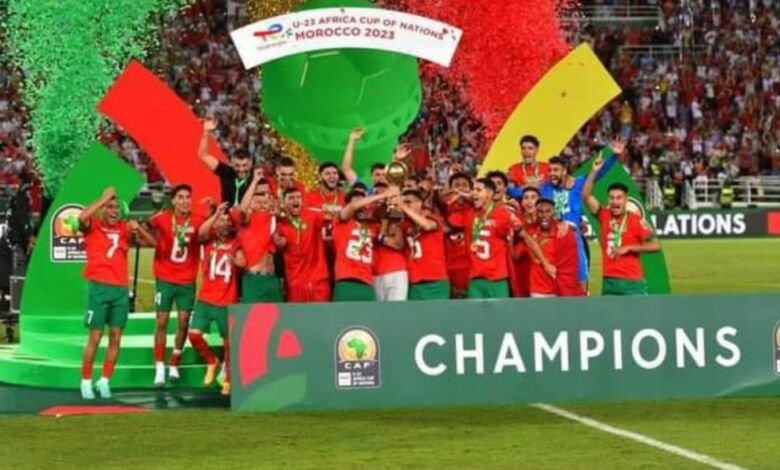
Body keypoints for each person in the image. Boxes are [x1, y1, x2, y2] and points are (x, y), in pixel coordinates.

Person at [79, 187, 154, 399]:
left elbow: (151, 243)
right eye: (109, 207)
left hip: (120, 289)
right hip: (98, 289)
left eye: (116, 208)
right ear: (102, 209)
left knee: (116, 337)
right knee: (95, 337)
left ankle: (104, 380)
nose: (113, 211)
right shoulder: (93, 225)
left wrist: (139, 229)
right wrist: (102, 199)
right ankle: (86, 381)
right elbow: (81, 217)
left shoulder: (124, 228)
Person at [538, 140, 625, 290]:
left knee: (580, 277)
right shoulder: (544, 187)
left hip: (573, 237)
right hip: (551, 239)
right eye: (550, 170)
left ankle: (583, 297)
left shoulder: (578, 184)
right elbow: (524, 193)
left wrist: (614, 156)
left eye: (556, 170)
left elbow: (598, 173)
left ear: (564, 171)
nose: (552, 174)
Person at [454, 178, 552, 299]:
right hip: (475, 279)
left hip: (497, 279)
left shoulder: (503, 214)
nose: (474, 193)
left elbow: (527, 237)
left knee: (500, 312)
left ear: (489, 194)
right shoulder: (469, 213)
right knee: (474, 312)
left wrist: (545, 263)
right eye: (473, 190)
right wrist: (462, 194)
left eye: (478, 190)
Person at [147, 184, 204, 387]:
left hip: (187, 280)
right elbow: (146, 226)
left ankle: (174, 363)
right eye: (180, 197)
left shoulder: (198, 220)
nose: (185, 201)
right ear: (173, 200)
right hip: (164, 278)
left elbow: (207, 234)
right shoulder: (162, 218)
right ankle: (159, 366)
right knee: (161, 321)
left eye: (188, 197)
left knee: (183, 322)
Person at [188, 203, 246, 396]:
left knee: (229, 343)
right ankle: (211, 361)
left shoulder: (235, 242)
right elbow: (201, 232)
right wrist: (216, 215)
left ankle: (228, 380)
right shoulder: (208, 240)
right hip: (205, 298)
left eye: (228, 220)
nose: (225, 223)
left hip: (226, 300)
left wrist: (236, 261)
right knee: (194, 335)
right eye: (222, 219)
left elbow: (243, 261)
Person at [583, 161, 660, 296]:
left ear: (626, 200)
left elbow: (655, 245)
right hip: (609, 281)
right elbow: (586, 196)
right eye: (612, 198)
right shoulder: (604, 215)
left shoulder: (637, 220)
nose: (615, 201)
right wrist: (594, 172)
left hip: (632, 282)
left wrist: (629, 248)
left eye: (619, 198)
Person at [332, 188, 397, 301]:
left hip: (367, 283)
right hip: (345, 281)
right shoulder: (342, 222)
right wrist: (382, 195)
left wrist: (388, 200)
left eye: (363, 203)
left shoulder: (372, 227)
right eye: (358, 202)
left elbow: (383, 217)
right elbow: (352, 207)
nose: (361, 206)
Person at [232, 169, 283, 303]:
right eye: (257, 202)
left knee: (279, 315)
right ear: (251, 203)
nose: (262, 205)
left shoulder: (272, 220)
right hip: (254, 279)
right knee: (253, 316)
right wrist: (254, 181)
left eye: (264, 202)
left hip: (272, 279)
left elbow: (278, 207)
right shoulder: (247, 220)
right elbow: (243, 208)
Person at [274, 187, 331, 302]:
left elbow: (334, 216)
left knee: (322, 313)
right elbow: (276, 248)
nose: (296, 200)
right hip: (295, 282)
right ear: (284, 202)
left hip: (318, 280)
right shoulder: (279, 224)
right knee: (298, 313)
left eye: (298, 197)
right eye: (291, 198)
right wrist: (280, 244)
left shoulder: (312, 215)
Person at [527, 198, 584, 298]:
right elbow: (516, 255)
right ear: (536, 213)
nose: (544, 215)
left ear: (553, 213)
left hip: (558, 288)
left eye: (548, 211)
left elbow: (570, 266)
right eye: (540, 212)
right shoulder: (530, 232)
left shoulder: (562, 233)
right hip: (538, 289)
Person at [398, 189, 450, 300]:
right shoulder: (405, 224)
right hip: (414, 282)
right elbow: (398, 245)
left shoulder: (434, 217)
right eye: (404, 202)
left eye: (409, 202)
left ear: (419, 203)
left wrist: (402, 206)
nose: (406, 205)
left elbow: (427, 226)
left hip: (436, 281)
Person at [198, 118, 253, 206]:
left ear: (251, 163)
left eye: (244, 165)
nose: (241, 169)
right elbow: (204, 156)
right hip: (225, 214)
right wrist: (206, 132)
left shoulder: (256, 177)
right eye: (237, 165)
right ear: (231, 163)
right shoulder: (226, 171)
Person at [372, 184, 408, 301]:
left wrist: (381, 236)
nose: (389, 200)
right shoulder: (372, 218)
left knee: (396, 310)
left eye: (393, 196)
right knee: (379, 311)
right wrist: (384, 226)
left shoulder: (400, 217)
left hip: (396, 270)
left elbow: (398, 244)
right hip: (375, 272)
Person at [440, 172, 473, 299]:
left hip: (470, 268)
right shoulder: (443, 209)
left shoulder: (474, 209)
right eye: (457, 185)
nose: (460, 189)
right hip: (447, 269)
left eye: (464, 185)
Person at [509, 187, 540, 298]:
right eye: (526, 198)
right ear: (521, 202)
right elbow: (514, 255)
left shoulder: (545, 223)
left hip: (540, 276)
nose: (529, 201)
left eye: (533, 197)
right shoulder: (516, 221)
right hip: (520, 274)